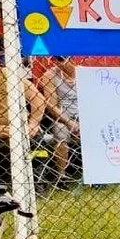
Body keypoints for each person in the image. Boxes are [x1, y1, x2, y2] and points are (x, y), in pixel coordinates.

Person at [0, 44, 45, 183]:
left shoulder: (8, 74)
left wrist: (33, 123)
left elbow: (38, 98)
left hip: (21, 124)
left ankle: (37, 180)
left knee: (38, 141)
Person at [40, 55, 80, 185]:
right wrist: (69, 122)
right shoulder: (50, 76)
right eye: (56, 59)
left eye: (62, 59)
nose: (59, 63)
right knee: (60, 132)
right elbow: (52, 106)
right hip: (64, 118)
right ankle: (61, 176)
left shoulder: (84, 72)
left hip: (84, 115)